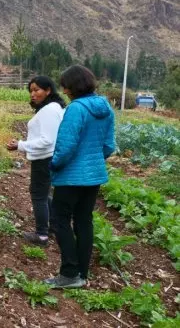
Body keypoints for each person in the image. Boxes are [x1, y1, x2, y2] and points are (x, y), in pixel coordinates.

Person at [44, 65, 116, 288]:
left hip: (71, 177)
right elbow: (109, 146)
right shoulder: (106, 108)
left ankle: (68, 274)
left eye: (65, 86)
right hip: (93, 177)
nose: (64, 90)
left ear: (72, 86)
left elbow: (66, 147)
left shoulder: (76, 109)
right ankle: (81, 274)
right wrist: (93, 161)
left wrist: (54, 164)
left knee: (59, 220)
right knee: (84, 221)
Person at [7, 76, 65, 247]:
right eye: (31, 91)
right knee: (45, 193)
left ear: (48, 90)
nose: (33, 94)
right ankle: (54, 226)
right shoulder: (53, 108)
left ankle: (41, 235)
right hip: (47, 157)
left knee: (38, 195)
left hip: (44, 158)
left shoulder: (49, 110)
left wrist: (20, 145)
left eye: (37, 90)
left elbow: (47, 140)